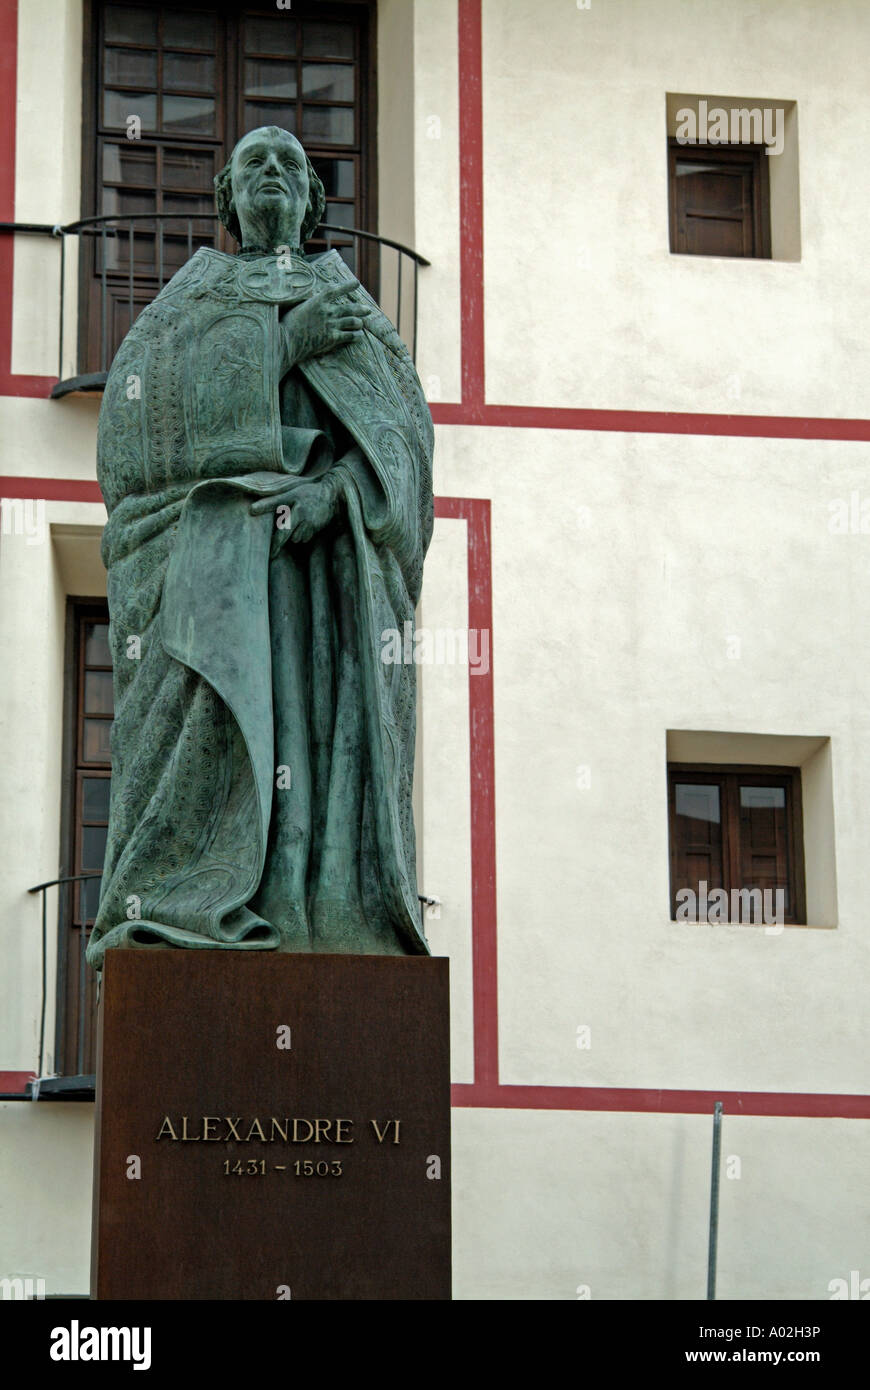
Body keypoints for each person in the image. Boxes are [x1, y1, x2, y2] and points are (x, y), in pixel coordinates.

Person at [86, 126, 433, 966]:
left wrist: (336, 494)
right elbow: (133, 436)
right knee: (222, 736)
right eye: (254, 165)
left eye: (291, 166)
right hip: (224, 567)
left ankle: (323, 912)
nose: (272, 174)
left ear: (315, 203)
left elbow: (407, 447)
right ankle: (196, 898)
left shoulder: (356, 311)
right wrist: (284, 341)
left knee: (315, 757)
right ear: (226, 202)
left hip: (326, 582)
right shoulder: (188, 301)